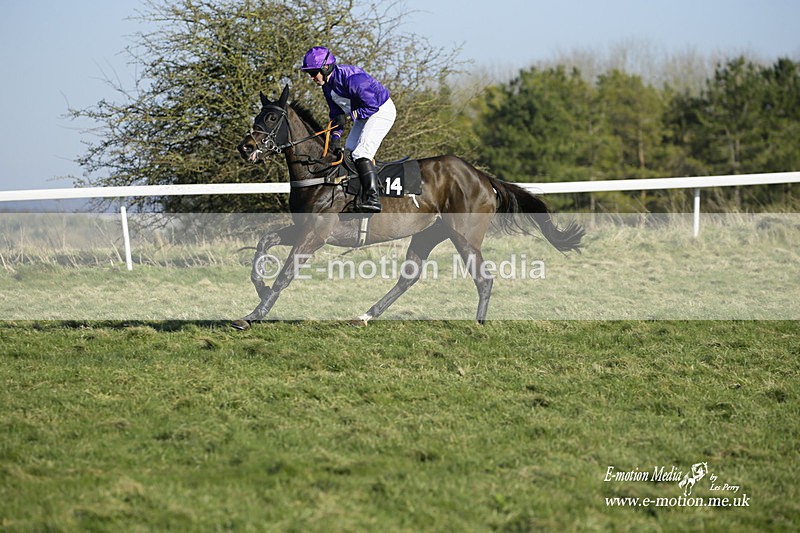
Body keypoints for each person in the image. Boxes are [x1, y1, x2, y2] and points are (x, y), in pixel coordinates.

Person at [300, 46, 396, 213]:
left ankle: (373, 198)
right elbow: (336, 115)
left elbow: (371, 106)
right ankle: (357, 194)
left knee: (361, 153)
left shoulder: (353, 79)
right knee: (349, 152)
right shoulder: (327, 86)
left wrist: (352, 115)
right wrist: (336, 138)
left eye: (314, 73)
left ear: (325, 67)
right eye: (310, 74)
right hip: (364, 112)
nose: (312, 77)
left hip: (380, 110)